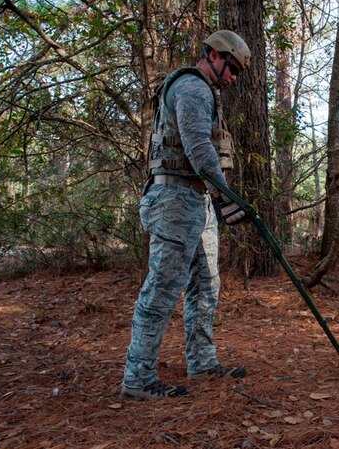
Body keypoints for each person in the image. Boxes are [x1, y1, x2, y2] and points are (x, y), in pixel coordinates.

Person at [121, 30, 251, 400]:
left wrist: (216, 199)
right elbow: (197, 147)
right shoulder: (193, 89)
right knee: (163, 289)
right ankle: (138, 378)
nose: (233, 78)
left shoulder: (206, 91)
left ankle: (202, 360)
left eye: (239, 73)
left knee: (206, 284)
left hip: (196, 200)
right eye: (233, 69)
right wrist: (224, 196)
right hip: (175, 199)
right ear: (215, 55)